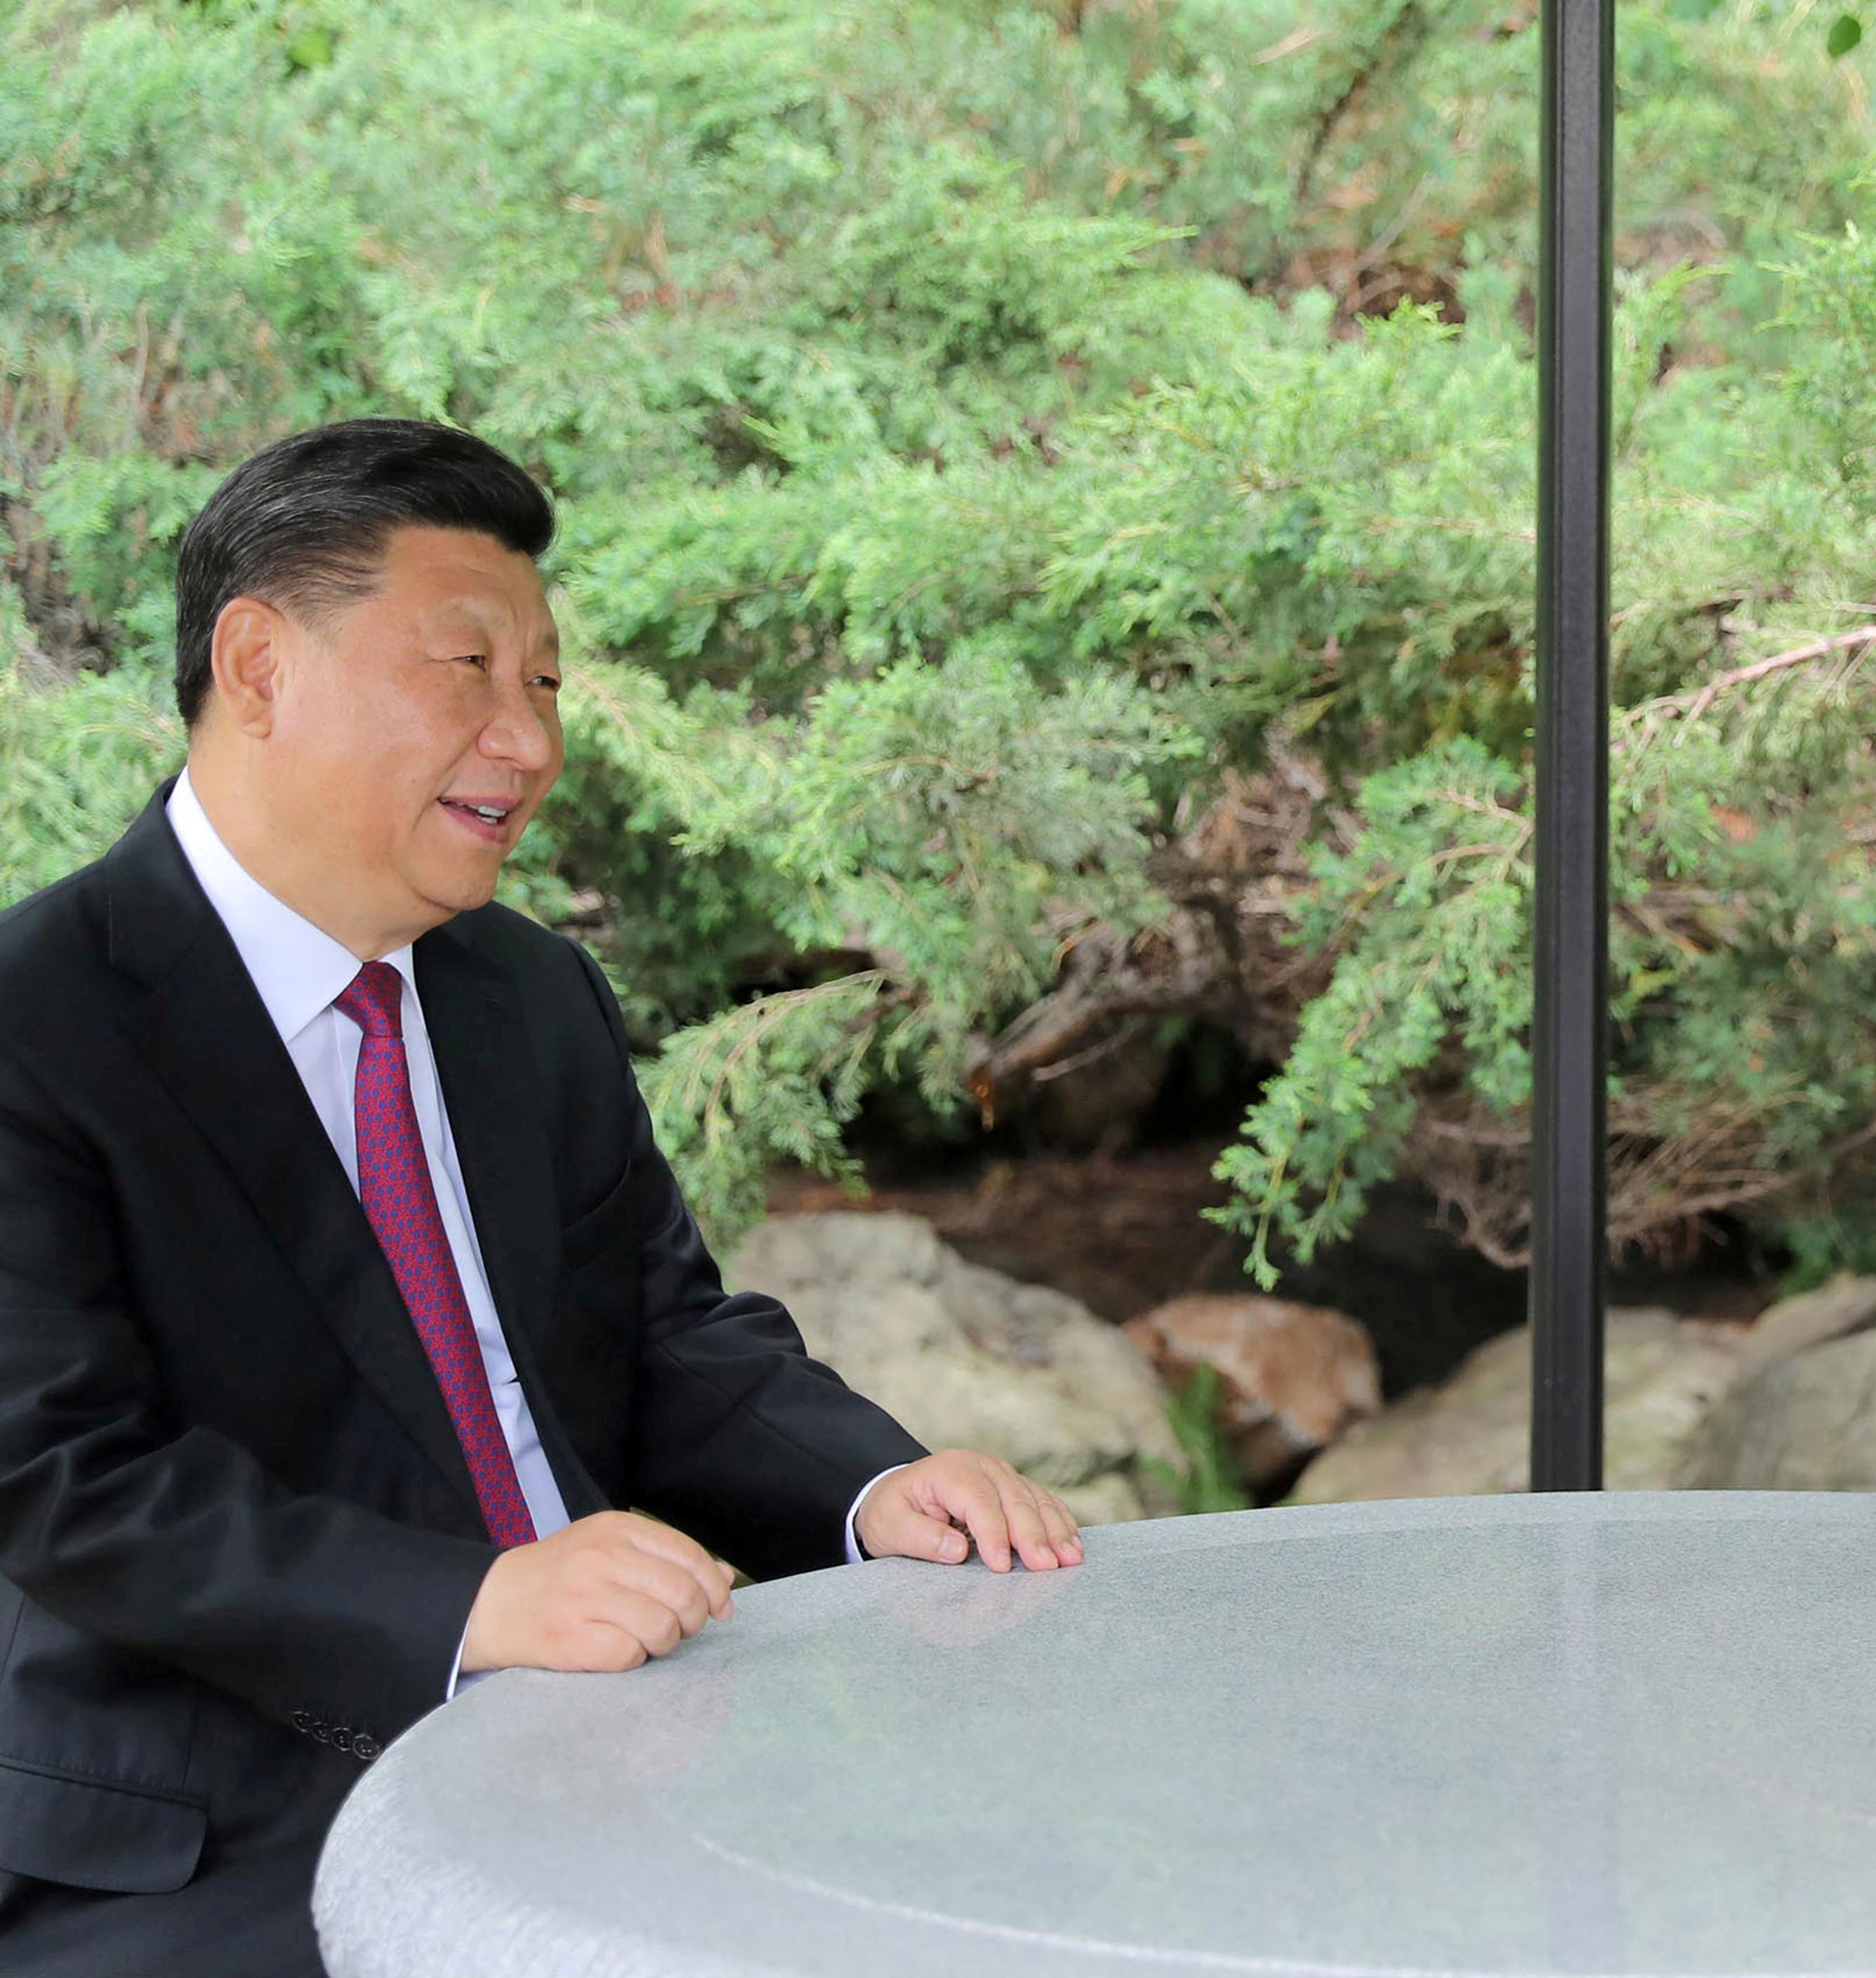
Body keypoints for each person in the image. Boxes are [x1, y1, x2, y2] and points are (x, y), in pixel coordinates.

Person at [0, 418, 1088, 1975]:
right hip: (218, 1825)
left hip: (621, 1731)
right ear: (257, 666)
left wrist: (871, 1489)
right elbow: (62, 1479)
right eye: (468, 669)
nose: (528, 743)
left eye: (548, 683)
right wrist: (476, 1604)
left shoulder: (531, 993)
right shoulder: (41, 1018)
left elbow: (666, 1336)